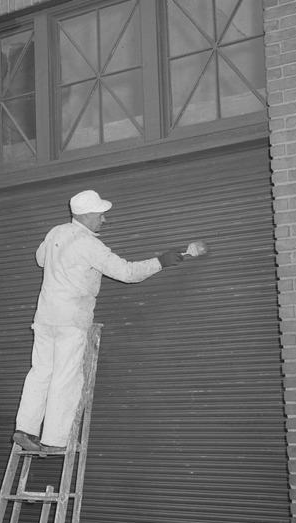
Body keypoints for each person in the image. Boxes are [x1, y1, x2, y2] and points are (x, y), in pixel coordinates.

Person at [12, 190, 192, 454]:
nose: (104, 220)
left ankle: (25, 429)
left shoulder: (55, 233)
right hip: (71, 319)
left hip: (45, 318)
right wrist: (160, 262)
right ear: (85, 215)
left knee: (40, 373)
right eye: (100, 215)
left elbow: (41, 259)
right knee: (66, 377)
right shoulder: (89, 244)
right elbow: (127, 273)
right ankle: (54, 440)